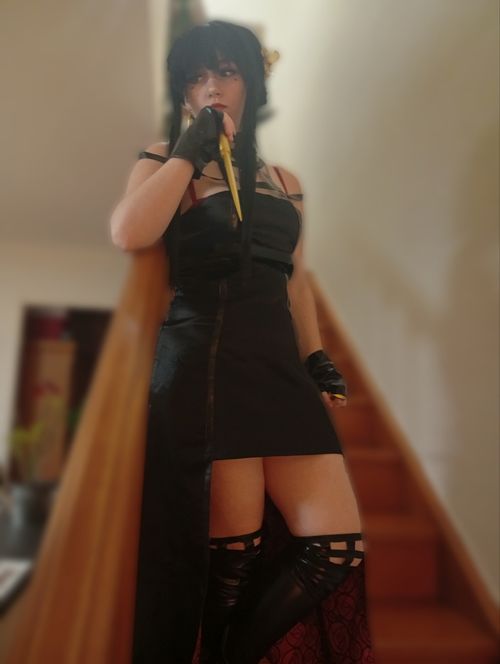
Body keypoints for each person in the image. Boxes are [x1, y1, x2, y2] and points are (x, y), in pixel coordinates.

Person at [110, 19, 374, 664]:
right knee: (236, 554)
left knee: (336, 545)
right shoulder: (164, 157)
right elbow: (129, 232)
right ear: (183, 92)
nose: (211, 87)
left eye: (225, 72)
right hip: (206, 362)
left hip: (278, 366)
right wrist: (189, 150)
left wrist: (317, 357)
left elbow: (296, 283)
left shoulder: (285, 179)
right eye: (196, 77)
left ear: (250, 83)